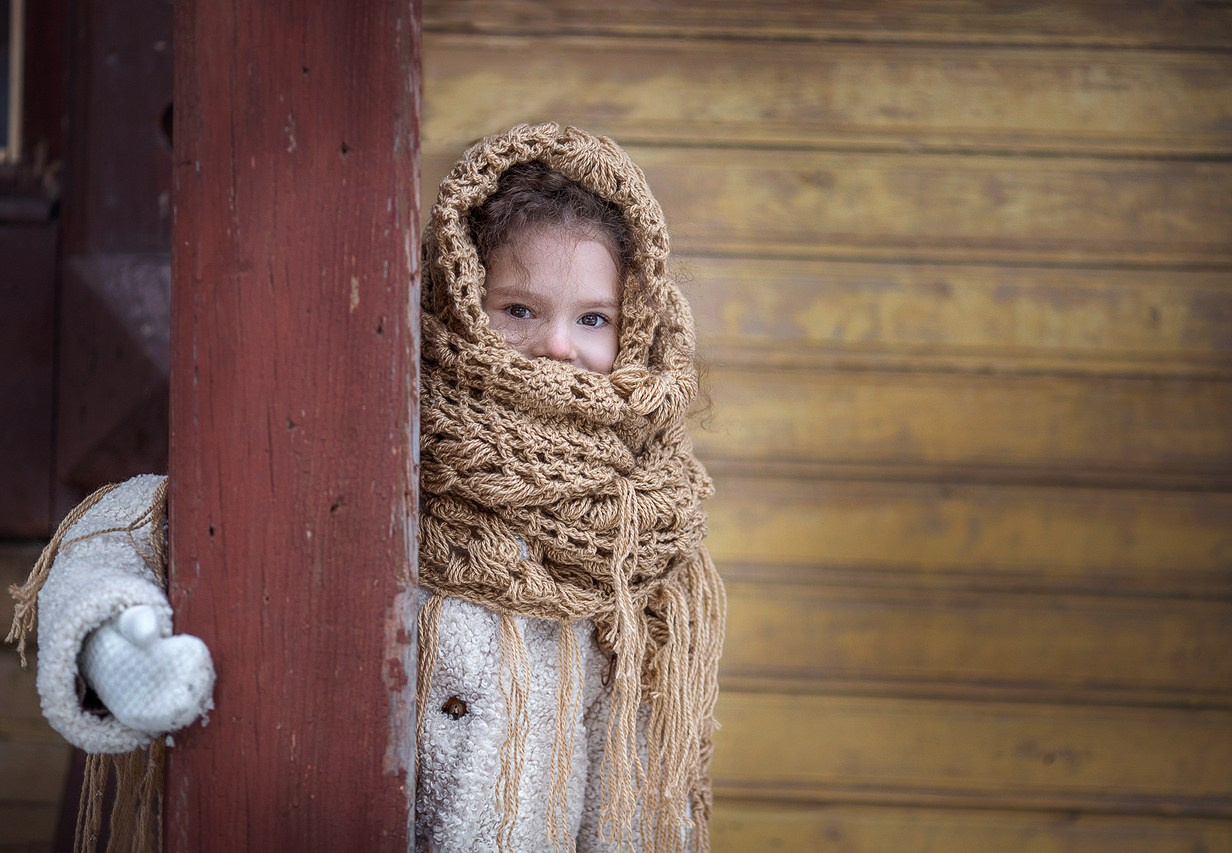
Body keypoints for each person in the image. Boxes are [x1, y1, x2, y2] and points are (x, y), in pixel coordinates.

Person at [8, 122, 725, 853]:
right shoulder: (381, 436)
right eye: (518, 309)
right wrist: (114, 635)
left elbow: (631, 791)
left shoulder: (640, 530)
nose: (558, 345)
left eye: (593, 318)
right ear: (457, 302)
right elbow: (141, 521)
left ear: (634, 330)